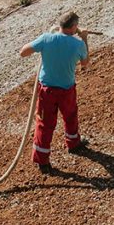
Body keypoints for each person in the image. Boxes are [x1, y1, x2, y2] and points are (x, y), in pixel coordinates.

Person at [19, 11, 90, 175]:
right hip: (67, 90)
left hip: (47, 91)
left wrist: (44, 43)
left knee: (44, 124)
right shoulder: (78, 44)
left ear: (60, 25)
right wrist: (84, 37)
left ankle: (42, 161)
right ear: (73, 27)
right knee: (71, 115)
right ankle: (73, 144)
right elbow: (85, 63)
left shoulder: (46, 38)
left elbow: (23, 52)